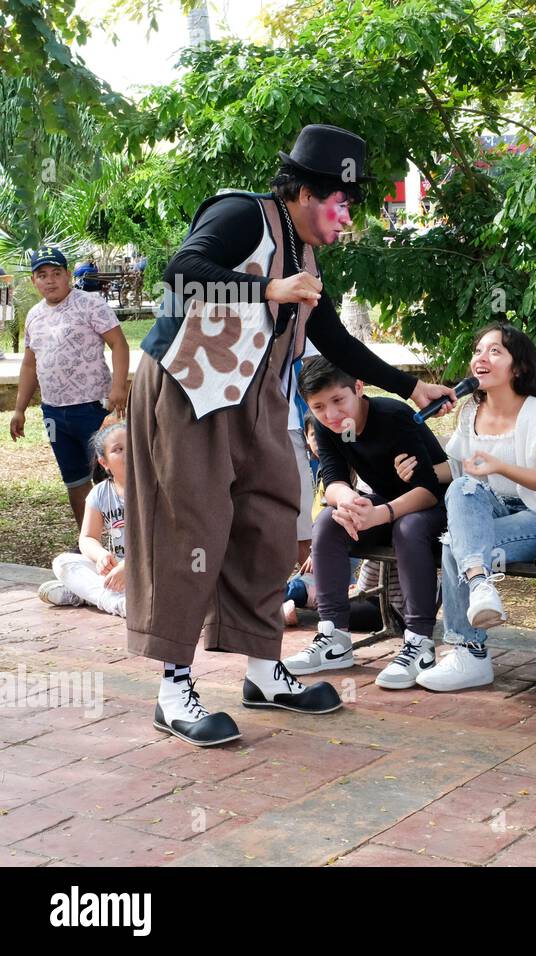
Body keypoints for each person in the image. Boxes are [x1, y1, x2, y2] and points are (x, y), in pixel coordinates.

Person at [126, 124, 462, 747]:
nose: (349, 215)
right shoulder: (242, 215)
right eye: (345, 201)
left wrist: (409, 387)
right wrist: (264, 288)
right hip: (188, 388)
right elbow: (180, 273)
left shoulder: (307, 257)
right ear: (309, 192)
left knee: (272, 517)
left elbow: (333, 339)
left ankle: (264, 670)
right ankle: (173, 689)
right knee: (191, 526)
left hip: (255, 399)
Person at [417, 322, 536, 693]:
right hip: (496, 510)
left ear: (518, 367)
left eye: (495, 351)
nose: (481, 357)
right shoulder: (471, 411)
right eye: (478, 350)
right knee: (462, 489)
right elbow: (460, 472)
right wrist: (417, 469)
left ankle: (470, 652)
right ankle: (481, 586)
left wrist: (500, 466)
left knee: (453, 545)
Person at [284, 357, 450, 690]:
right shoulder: (330, 427)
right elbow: (332, 479)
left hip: (433, 509)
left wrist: (381, 513)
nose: (331, 414)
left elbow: (429, 490)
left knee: (409, 527)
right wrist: (348, 501)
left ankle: (418, 641)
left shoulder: (393, 417)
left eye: (338, 401)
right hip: (385, 504)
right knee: (330, 521)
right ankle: (334, 638)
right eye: (318, 407)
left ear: (359, 388)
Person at [10, 246, 129, 531]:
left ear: (67, 275)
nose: (50, 280)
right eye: (42, 275)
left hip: (94, 408)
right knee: (74, 479)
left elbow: (119, 344)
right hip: (53, 413)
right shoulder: (34, 316)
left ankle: (125, 542)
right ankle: (88, 542)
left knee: (112, 476)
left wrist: (118, 387)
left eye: (56, 273)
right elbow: (29, 365)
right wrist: (19, 409)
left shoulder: (90, 304)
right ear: (33, 281)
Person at [39, 421, 131, 618]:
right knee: (63, 563)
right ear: (104, 462)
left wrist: (130, 566)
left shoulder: (157, 488)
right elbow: (87, 538)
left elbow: (167, 541)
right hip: (116, 573)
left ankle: (92, 596)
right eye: (118, 449)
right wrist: (101, 556)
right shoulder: (99, 493)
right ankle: (117, 601)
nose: (129, 452)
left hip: (151, 568)